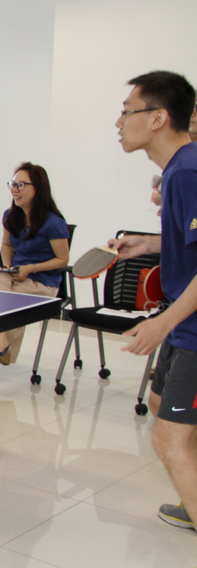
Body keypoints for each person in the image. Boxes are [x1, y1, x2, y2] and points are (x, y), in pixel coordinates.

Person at [110, 70, 197, 533]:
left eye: (127, 112)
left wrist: (161, 324)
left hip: (192, 327)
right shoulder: (179, 170)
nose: (119, 122)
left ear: (159, 117)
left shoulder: (188, 172)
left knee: (168, 439)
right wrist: (148, 244)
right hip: (186, 323)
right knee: (162, 402)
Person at [0, 162, 69, 375]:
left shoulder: (53, 222)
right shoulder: (10, 215)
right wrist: (9, 267)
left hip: (42, 281)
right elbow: (6, 245)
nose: (14, 190)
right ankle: (1, 342)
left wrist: (30, 268)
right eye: (13, 184)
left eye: (21, 185)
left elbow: (62, 259)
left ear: (38, 188)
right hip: (15, 275)